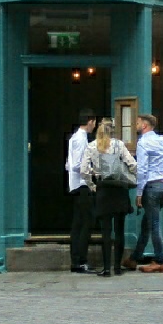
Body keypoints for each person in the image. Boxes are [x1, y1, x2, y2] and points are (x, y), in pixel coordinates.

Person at [81, 118, 137, 277]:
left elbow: (84, 170)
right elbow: (132, 164)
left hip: (103, 190)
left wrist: (92, 186)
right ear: (112, 131)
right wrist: (135, 178)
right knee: (119, 230)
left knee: (106, 232)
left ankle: (106, 269)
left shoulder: (91, 147)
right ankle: (118, 268)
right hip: (119, 190)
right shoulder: (119, 145)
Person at [123, 113, 163, 273]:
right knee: (147, 224)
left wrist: (139, 193)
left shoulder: (143, 143)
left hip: (151, 187)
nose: (135, 125)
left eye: (138, 122)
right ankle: (134, 258)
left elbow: (142, 170)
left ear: (145, 125)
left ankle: (159, 260)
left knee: (154, 224)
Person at [66, 109, 97, 273]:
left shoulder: (75, 138)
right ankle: (80, 261)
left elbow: (69, 164)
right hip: (82, 185)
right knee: (86, 223)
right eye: (94, 122)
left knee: (78, 224)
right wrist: (94, 172)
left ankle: (76, 261)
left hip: (76, 184)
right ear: (90, 121)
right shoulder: (81, 139)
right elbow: (78, 165)